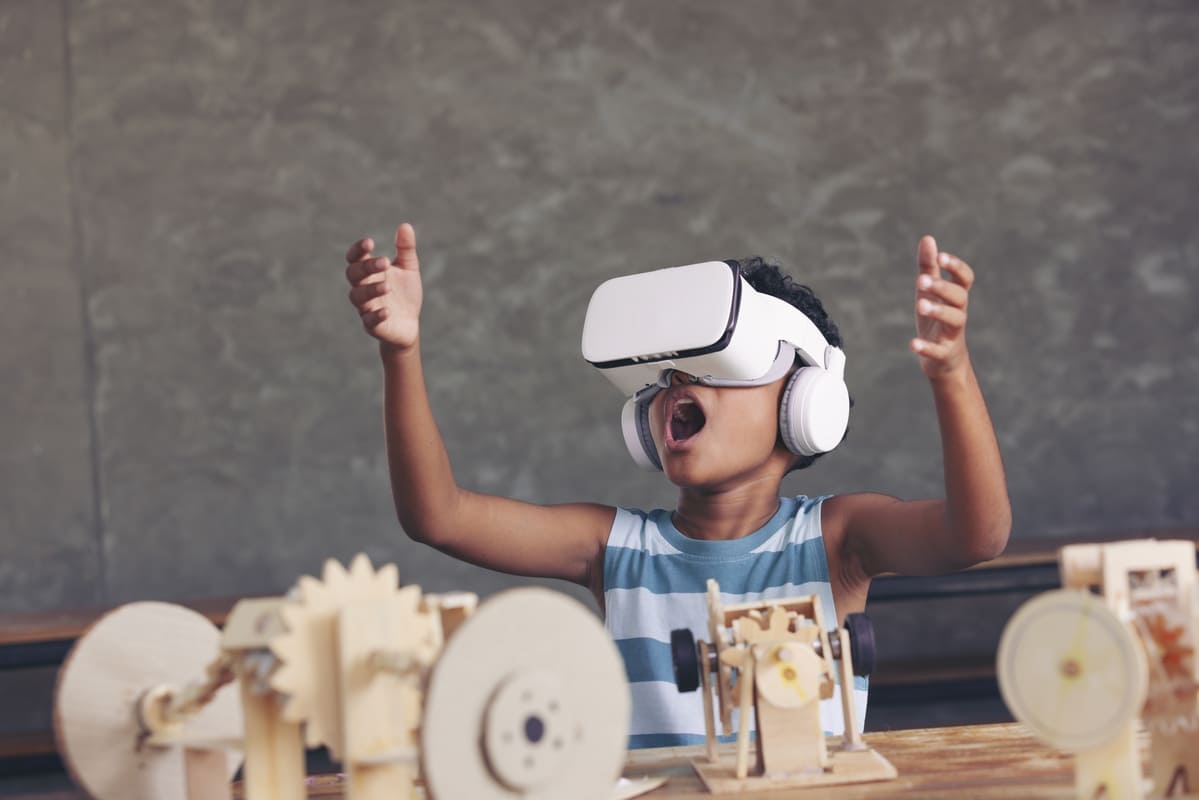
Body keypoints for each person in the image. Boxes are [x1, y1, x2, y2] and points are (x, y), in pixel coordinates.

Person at [343, 223, 1011, 747]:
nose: (677, 388)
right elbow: (438, 515)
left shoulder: (837, 540)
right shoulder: (613, 547)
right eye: (664, 378)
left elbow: (976, 536)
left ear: (804, 404)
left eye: (716, 368)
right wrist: (400, 352)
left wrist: (950, 372)